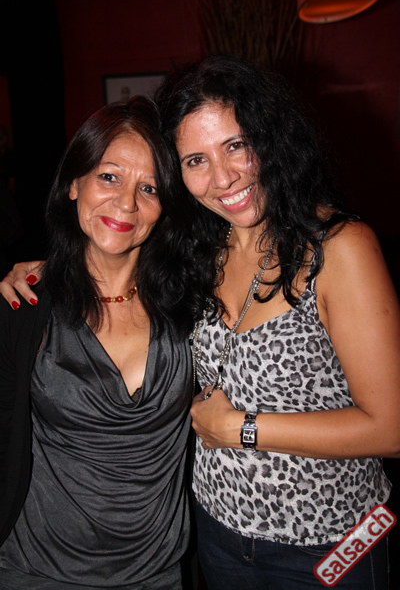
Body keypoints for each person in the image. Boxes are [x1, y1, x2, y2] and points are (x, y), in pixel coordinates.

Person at [2, 55, 400, 589]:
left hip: (328, 538)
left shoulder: (340, 248)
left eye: (236, 145)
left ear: (269, 137)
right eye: (195, 160)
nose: (223, 176)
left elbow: (392, 426)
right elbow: (111, 251)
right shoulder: (198, 258)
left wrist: (240, 429)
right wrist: (48, 270)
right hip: (217, 534)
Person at [0, 96, 195, 589]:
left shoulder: (192, 305)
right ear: (74, 183)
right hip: (36, 572)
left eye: (148, 188)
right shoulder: (24, 304)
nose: (126, 203)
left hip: (157, 575)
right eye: (109, 177)